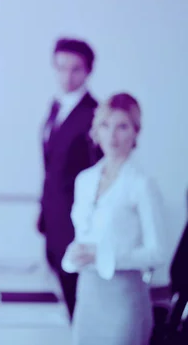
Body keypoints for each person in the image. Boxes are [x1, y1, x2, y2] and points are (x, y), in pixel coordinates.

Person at [61, 92, 167, 345]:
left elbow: (158, 252)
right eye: (106, 126)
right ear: (96, 130)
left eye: (122, 127)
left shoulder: (142, 184)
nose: (112, 135)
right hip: (87, 296)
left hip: (123, 300)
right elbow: (83, 236)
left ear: (135, 132)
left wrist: (104, 255)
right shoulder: (84, 180)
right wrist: (75, 254)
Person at [37, 37, 103, 319]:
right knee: (64, 297)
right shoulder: (56, 107)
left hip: (76, 223)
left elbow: (97, 174)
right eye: (61, 67)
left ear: (88, 71)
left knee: (79, 301)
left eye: (75, 69)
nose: (67, 75)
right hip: (54, 219)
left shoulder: (95, 114)